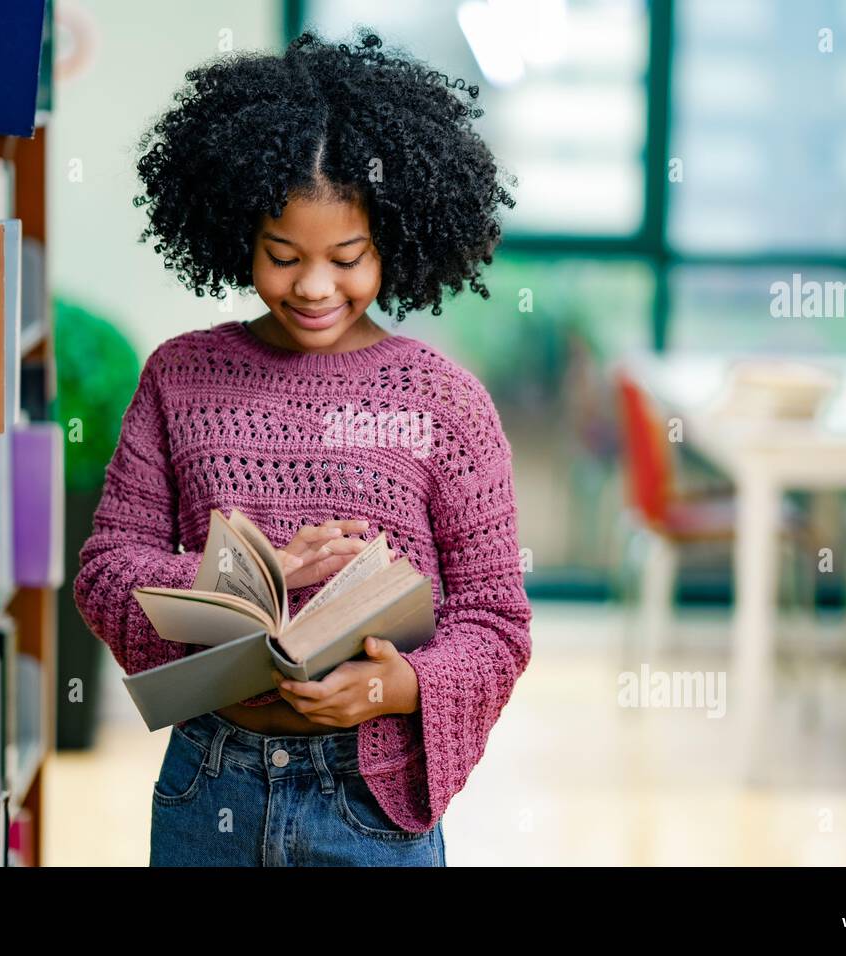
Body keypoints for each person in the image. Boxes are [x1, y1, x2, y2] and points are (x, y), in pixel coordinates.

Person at [73, 31, 531, 866]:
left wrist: (401, 686)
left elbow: (495, 620)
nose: (314, 287)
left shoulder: (445, 401)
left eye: (347, 259)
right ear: (237, 232)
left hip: (368, 801)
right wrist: (259, 573)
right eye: (283, 257)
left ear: (395, 240)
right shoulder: (181, 378)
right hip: (210, 784)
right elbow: (106, 570)